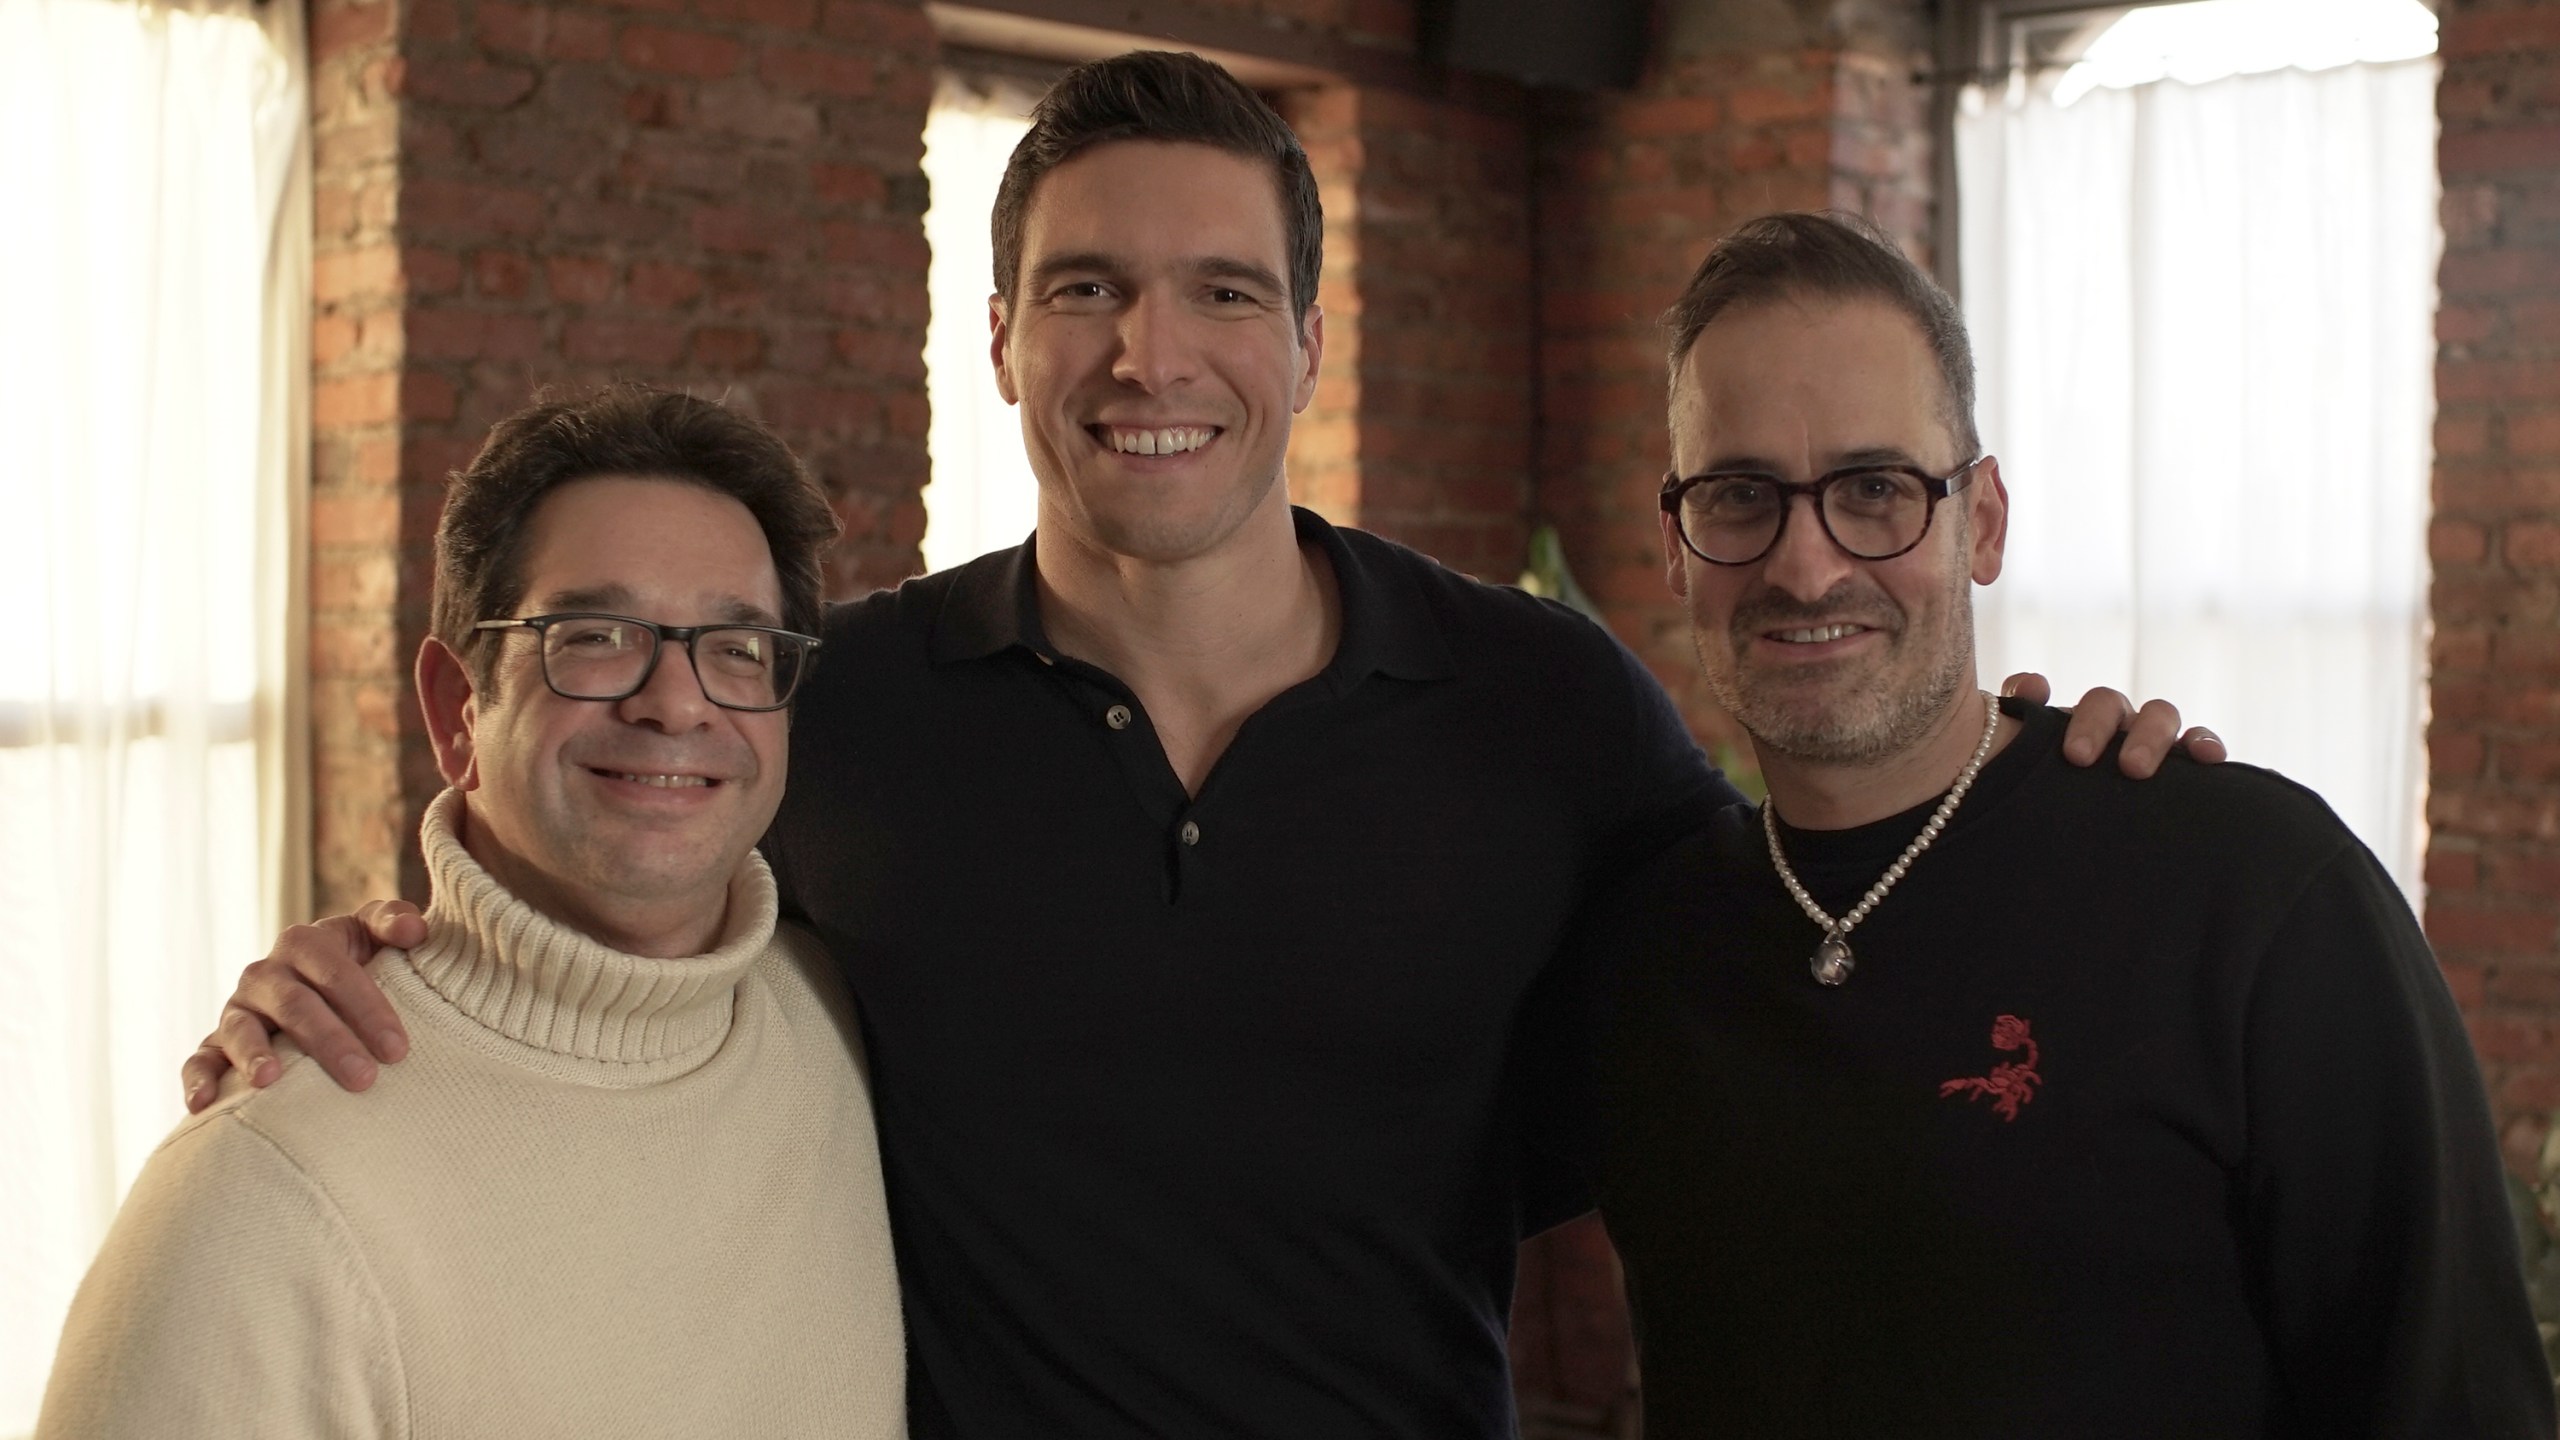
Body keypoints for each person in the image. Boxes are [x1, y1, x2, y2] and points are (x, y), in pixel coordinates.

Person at [173, 55, 2207, 1437]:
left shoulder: (1541, 705)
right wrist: (366, 959)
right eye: (1084, 290)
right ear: (999, 341)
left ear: (1307, 343)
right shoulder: (839, 708)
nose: (1149, 356)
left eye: (1220, 291)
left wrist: (2040, 787)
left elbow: (1803, 950)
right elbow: (602, 905)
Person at [1586, 211, 2553, 1437]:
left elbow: (2452, 1406)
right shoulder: (1646, 941)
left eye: (1875, 491)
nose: (1806, 564)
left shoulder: (2254, 892)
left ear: (1980, 522)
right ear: (1675, 540)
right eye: (1738, 497)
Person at [39, 387, 905, 1438]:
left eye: (733, 649)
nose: (676, 703)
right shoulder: (261, 1199)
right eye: (594, 634)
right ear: (458, 711)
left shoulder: (846, 1023)